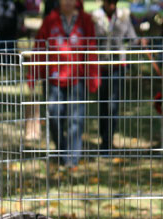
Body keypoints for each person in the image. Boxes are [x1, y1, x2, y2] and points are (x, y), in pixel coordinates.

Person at [29, 0, 99, 169]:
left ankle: (72, 158)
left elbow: (91, 47)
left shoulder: (85, 20)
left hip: (77, 77)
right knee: (54, 116)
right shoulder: (50, 20)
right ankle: (61, 152)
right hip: (54, 78)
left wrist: (93, 76)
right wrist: (33, 73)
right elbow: (40, 46)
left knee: (76, 119)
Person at [91, 0, 137, 152]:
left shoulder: (123, 17)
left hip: (118, 67)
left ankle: (108, 141)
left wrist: (135, 45)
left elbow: (132, 38)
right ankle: (104, 137)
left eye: (113, 2)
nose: (111, 5)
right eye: (108, 2)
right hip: (101, 67)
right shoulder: (95, 17)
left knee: (113, 104)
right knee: (103, 103)